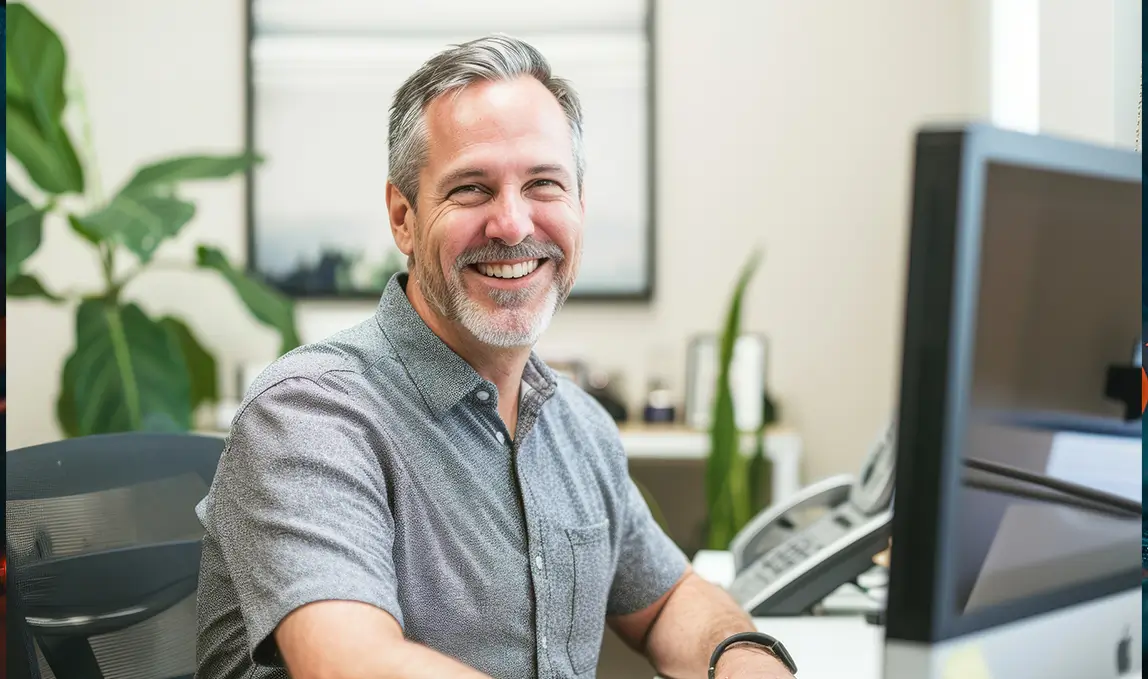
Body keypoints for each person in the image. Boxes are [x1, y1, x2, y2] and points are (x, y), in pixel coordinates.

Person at [194, 34, 797, 679]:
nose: (512, 224)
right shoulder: (311, 413)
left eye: (543, 184)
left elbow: (669, 598)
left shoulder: (579, 428)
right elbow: (351, 663)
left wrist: (743, 657)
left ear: (579, 208)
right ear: (403, 216)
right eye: (472, 190)